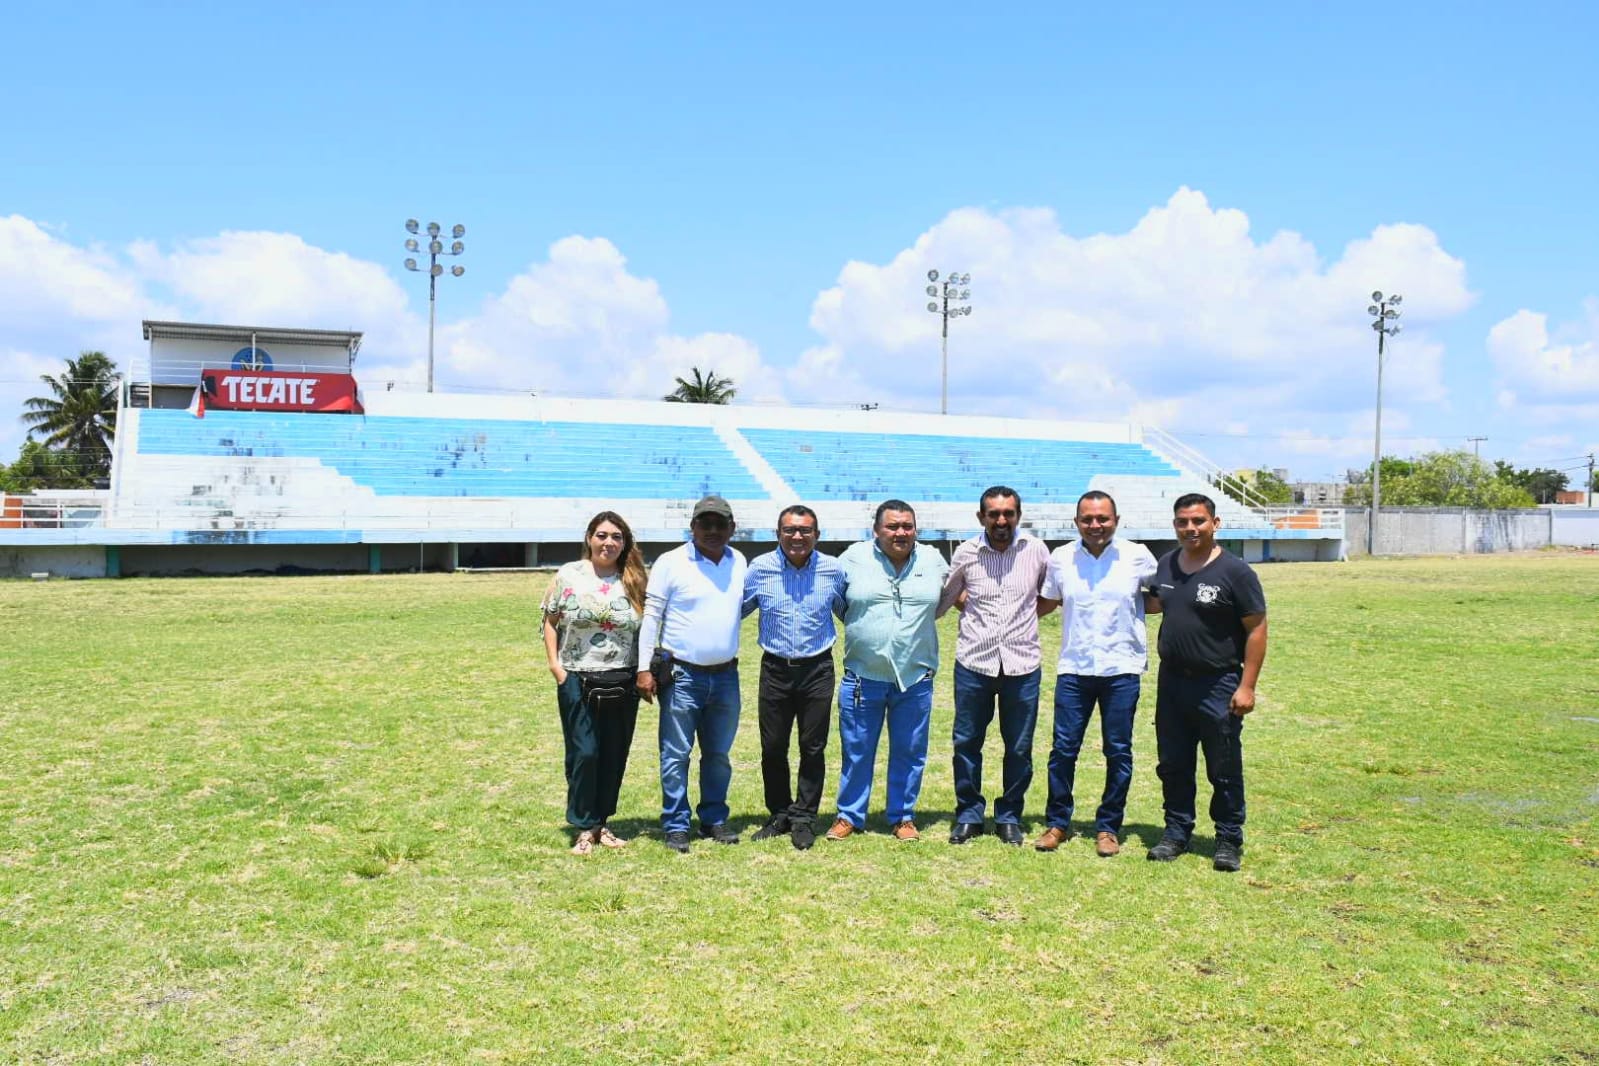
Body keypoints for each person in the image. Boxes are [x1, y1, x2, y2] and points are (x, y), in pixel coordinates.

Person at [1145, 493, 1269, 872]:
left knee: (1224, 764)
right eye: (1183, 522)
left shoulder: (1236, 572)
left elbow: (1257, 628)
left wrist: (1246, 686)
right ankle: (1176, 831)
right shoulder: (1167, 565)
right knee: (1173, 762)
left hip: (1218, 682)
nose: (1190, 528)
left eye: (1198, 521)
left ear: (1215, 524)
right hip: (1172, 684)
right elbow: (1154, 604)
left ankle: (1228, 838)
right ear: (1175, 526)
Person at [1034, 491, 1158, 857]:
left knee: (1118, 751)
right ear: (1076, 522)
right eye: (1087, 519)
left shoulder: (1139, 556)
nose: (1095, 525)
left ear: (1116, 521)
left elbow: (1159, 599)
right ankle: (1058, 822)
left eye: (1102, 518)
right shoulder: (1061, 559)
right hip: (1075, 668)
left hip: (1122, 668)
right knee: (1063, 750)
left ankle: (1108, 827)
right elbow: (1048, 602)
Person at [827, 500, 950, 842]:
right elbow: (838, 601)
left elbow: (942, 602)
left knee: (910, 751)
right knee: (856, 750)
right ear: (876, 530)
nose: (900, 532)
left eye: (907, 526)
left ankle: (903, 816)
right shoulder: (851, 558)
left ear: (916, 529)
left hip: (914, 677)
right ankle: (849, 815)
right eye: (892, 526)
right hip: (863, 676)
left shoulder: (933, 560)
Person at [939, 486, 1052, 846]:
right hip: (975, 663)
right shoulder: (967, 552)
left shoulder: (1036, 550)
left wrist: (1020, 620)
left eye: (1008, 513)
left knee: (1018, 747)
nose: (1001, 520)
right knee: (967, 742)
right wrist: (972, 610)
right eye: (993, 514)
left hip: (1022, 663)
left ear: (1018, 515)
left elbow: (1047, 599)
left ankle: (1009, 816)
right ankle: (969, 814)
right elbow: (948, 594)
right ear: (981, 517)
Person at [636, 495, 748, 854]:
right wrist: (643, 668)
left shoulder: (739, 561)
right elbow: (652, 616)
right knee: (676, 754)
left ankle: (714, 818)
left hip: (726, 676)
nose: (713, 531)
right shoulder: (672, 562)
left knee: (718, 755)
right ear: (693, 527)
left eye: (721, 524)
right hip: (682, 676)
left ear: (732, 528)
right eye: (706, 523)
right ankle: (676, 823)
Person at [542, 511, 649, 855]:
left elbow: (648, 626)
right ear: (589, 538)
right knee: (585, 753)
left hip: (622, 678)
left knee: (613, 754)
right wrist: (556, 667)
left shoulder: (633, 578)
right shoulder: (569, 575)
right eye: (602, 535)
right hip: (577, 675)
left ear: (625, 542)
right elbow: (550, 619)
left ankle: (601, 823)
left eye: (616, 537)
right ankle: (583, 825)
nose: (608, 542)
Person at [742, 505, 846, 850]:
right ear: (778, 534)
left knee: (812, 747)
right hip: (775, 668)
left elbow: (849, 612)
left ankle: (804, 816)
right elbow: (735, 611)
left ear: (817, 534)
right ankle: (779, 813)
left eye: (805, 530)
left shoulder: (833, 570)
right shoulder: (760, 569)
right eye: (789, 530)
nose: (797, 537)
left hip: (818, 668)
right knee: (773, 747)